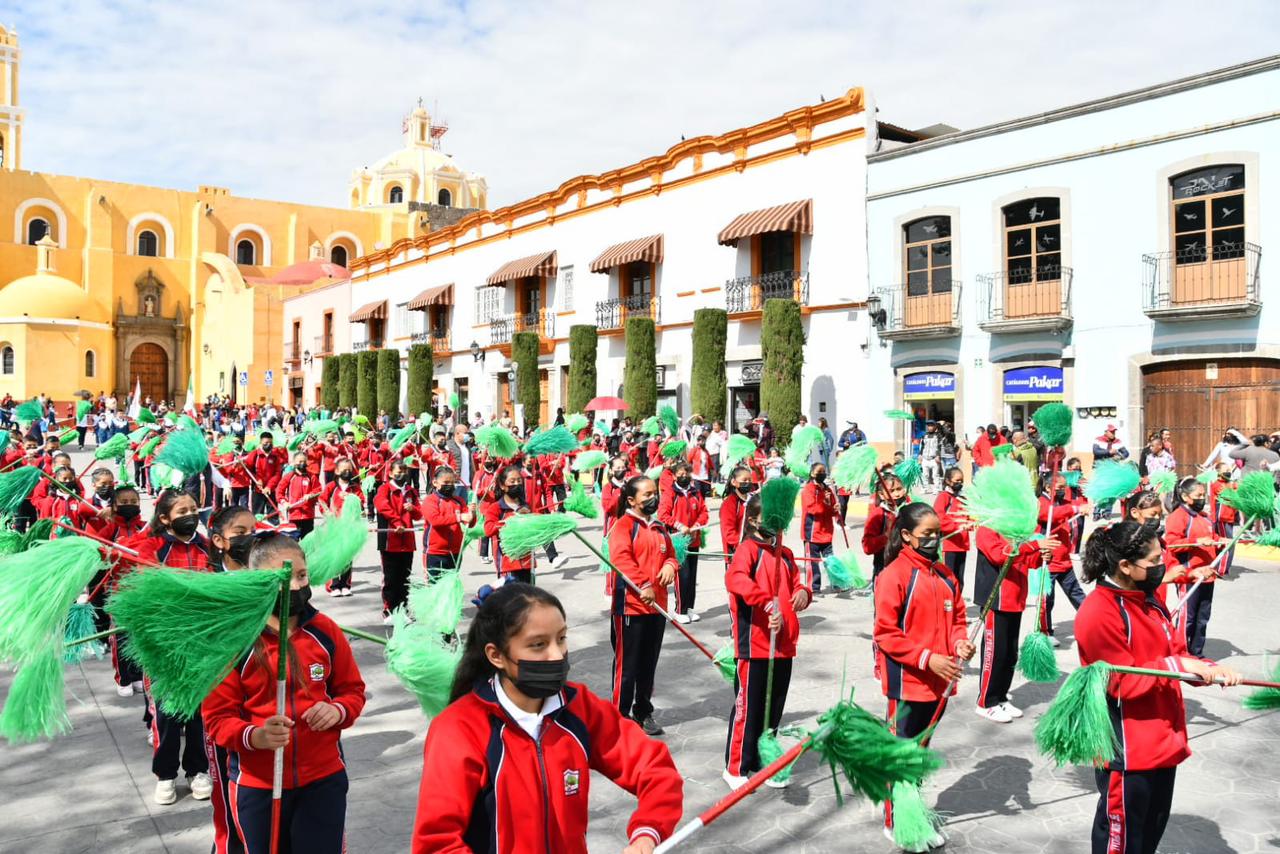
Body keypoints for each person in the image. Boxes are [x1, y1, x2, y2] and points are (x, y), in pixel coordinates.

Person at [412, 583, 681, 853]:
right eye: (538, 644)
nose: (557, 654)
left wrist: (648, 833)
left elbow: (655, 770)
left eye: (561, 638)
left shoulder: (580, 707)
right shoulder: (459, 729)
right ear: (496, 655)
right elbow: (437, 843)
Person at [1075, 521, 1240, 854]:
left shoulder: (1148, 600)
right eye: (1152, 561)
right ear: (1124, 566)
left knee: (1149, 836)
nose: (1161, 566)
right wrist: (1178, 667)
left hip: (1163, 742)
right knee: (1121, 843)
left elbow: (1174, 653)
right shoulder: (1098, 612)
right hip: (1128, 750)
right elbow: (1119, 681)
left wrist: (1207, 669)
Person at [202, 535, 366, 854]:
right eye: (283, 577)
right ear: (257, 581)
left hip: (324, 779)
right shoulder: (235, 641)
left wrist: (339, 711)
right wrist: (255, 736)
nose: (295, 585)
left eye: (301, 575)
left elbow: (352, 691)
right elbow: (218, 720)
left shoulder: (325, 631)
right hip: (257, 784)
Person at [874, 503, 973, 848]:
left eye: (937, 533)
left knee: (919, 754)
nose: (934, 540)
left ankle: (913, 812)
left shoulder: (946, 576)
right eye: (926, 535)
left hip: (940, 683)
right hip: (907, 682)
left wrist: (960, 644)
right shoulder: (894, 576)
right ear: (906, 536)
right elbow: (885, 633)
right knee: (901, 755)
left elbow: (958, 620)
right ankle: (896, 821)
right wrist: (927, 658)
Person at [126, 490, 214, 805]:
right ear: (165, 518)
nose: (191, 514)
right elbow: (149, 590)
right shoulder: (153, 548)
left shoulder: (207, 547)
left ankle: (197, 771)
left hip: (202, 643)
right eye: (182, 510)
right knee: (167, 713)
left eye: (193, 508)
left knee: (199, 711)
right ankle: (165, 775)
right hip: (165, 644)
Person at [723, 491, 810, 789]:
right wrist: (766, 603)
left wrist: (803, 594)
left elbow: (798, 582)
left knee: (773, 710)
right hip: (755, 644)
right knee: (749, 710)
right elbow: (736, 580)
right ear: (754, 520)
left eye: (779, 519)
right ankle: (736, 767)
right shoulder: (747, 550)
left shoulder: (784, 553)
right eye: (769, 519)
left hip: (783, 645)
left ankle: (764, 761)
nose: (776, 524)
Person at [607, 476, 678, 737]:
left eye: (654, 493)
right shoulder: (623, 526)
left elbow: (670, 553)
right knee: (628, 666)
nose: (653, 498)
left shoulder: (659, 526)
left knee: (649, 664)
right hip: (631, 607)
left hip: (656, 606)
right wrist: (642, 584)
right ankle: (619, 715)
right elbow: (621, 559)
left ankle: (643, 710)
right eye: (646, 494)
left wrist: (671, 565)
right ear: (631, 500)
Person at [972, 521, 1055, 724]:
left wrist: (1041, 556)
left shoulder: (1015, 528)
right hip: (996, 600)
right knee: (995, 653)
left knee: (1010, 654)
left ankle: (1001, 696)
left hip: (1015, 599)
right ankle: (986, 702)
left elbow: (1026, 560)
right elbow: (1000, 555)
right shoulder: (987, 528)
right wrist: (1034, 546)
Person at [1163, 477, 1221, 656]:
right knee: (1187, 617)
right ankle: (1181, 652)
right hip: (1189, 575)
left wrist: (1221, 542)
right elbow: (1171, 544)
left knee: (1202, 617)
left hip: (1207, 574)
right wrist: (1195, 542)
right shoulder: (1177, 517)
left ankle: (1197, 652)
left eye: (1204, 495)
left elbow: (1213, 538)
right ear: (1186, 497)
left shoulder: (1205, 518)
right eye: (1199, 495)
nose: (1202, 499)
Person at [657, 460, 708, 623]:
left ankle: (690, 608)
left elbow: (704, 512)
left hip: (693, 539)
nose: (683, 475)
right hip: (678, 540)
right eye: (680, 473)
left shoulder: (695, 492)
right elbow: (663, 514)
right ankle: (680, 610)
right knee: (682, 575)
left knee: (692, 575)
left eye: (686, 473)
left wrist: (696, 526)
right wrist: (680, 526)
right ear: (674, 475)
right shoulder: (670, 492)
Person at [1038, 474, 1088, 641]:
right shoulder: (1041, 502)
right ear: (1047, 487)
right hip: (1047, 562)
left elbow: (1076, 505)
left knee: (1077, 595)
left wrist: (1086, 499)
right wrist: (1075, 509)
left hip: (1064, 560)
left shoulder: (1061, 502)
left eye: (1064, 488)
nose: (1063, 491)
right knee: (1046, 601)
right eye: (1060, 488)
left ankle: (1094, 621)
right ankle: (1045, 633)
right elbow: (1050, 514)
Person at [374, 459, 421, 621]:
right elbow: (382, 506)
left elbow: (419, 514)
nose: (401, 474)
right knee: (391, 578)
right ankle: (389, 610)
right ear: (390, 473)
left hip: (407, 541)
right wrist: (397, 522)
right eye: (397, 472)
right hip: (390, 541)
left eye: (403, 471)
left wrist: (413, 508)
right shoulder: (384, 489)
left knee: (405, 578)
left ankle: (403, 608)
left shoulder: (411, 491)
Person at [317, 457, 364, 596]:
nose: (347, 472)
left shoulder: (355, 488)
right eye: (344, 469)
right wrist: (327, 512)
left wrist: (350, 497)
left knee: (347, 557)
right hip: (334, 526)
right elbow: (322, 501)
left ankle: (345, 584)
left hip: (350, 527)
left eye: (349, 469)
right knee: (335, 555)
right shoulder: (331, 486)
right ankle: (334, 585)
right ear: (337, 471)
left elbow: (361, 502)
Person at [483, 464, 537, 584]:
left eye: (519, 481)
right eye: (512, 481)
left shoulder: (526, 506)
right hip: (508, 565)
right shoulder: (496, 507)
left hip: (528, 563)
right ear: (503, 486)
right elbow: (488, 530)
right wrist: (514, 518)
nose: (516, 484)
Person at [421, 465, 472, 581]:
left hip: (455, 552)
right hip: (435, 553)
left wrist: (472, 513)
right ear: (435, 482)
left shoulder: (459, 501)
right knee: (434, 587)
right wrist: (459, 517)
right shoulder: (430, 500)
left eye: (452, 482)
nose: (449, 485)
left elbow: (470, 522)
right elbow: (435, 520)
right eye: (446, 482)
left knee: (450, 586)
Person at [799, 462, 839, 592]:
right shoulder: (808, 490)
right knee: (813, 561)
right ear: (812, 474)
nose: (822, 474)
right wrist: (827, 505)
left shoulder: (828, 490)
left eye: (823, 471)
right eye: (819, 472)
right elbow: (813, 509)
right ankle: (814, 587)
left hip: (826, 531)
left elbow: (832, 509)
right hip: (812, 532)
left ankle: (837, 582)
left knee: (830, 559)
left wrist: (836, 508)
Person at [863, 472, 907, 581]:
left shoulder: (910, 510)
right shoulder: (878, 514)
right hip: (884, 568)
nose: (897, 494)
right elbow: (867, 547)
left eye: (899, 489)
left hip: (907, 568)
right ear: (881, 495)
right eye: (891, 491)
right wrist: (886, 536)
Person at [933, 467, 970, 591]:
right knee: (948, 577)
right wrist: (957, 526)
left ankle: (957, 605)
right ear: (948, 481)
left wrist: (971, 523)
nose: (960, 483)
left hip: (962, 545)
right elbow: (939, 519)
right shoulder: (943, 497)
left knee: (959, 579)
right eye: (957, 480)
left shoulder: (962, 498)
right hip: (949, 545)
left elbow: (968, 516)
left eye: (962, 481)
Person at [276, 451, 319, 538]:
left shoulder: (312, 477)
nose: (302, 464)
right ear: (294, 462)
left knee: (308, 541)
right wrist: (284, 502)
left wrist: (311, 495)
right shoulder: (289, 476)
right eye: (300, 462)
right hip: (294, 514)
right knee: (293, 540)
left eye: (304, 461)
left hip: (308, 515)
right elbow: (279, 491)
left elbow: (318, 490)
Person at [719, 467, 755, 564]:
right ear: (734, 482)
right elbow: (728, 532)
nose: (748, 482)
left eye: (750, 480)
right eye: (744, 480)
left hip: (753, 551)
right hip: (736, 554)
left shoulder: (753, 500)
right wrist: (745, 546)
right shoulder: (729, 503)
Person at [919, 422, 942, 491]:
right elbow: (922, 446)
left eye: (932, 426)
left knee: (935, 475)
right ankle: (924, 488)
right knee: (925, 475)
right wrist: (920, 455)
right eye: (929, 426)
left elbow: (940, 446)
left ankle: (936, 489)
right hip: (925, 458)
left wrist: (938, 455)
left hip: (934, 458)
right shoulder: (924, 436)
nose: (930, 427)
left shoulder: (938, 436)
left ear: (934, 427)